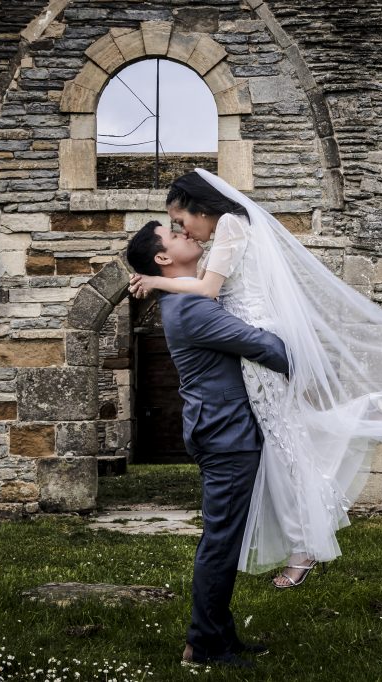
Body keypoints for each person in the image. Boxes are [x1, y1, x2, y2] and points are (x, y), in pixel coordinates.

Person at [129, 169, 382, 589]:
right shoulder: (230, 228)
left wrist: (156, 281)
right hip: (255, 341)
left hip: (258, 342)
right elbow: (204, 284)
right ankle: (362, 418)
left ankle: (306, 544)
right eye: (174, 229)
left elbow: (208, 290)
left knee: (284, 445)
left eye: (180, 220)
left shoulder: (229, 225)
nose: (183, 230)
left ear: (199, 208)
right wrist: (162, 282)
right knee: (289, 435)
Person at [126, 220, 289, 668]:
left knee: (224, 537)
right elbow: (268, 349)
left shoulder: (189, 296)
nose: (185, 232)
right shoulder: (190, 308)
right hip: (225, 434)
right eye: (173, 234)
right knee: (221, 540)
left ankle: (218, 634)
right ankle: (204, 646)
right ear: (162, 257)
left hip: (222, 429)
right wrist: (307, 349)